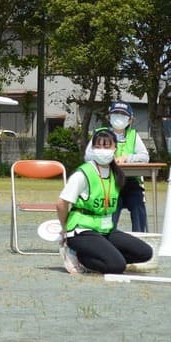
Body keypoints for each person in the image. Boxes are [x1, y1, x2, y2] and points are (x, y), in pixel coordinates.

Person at [55, 127, 154, 274]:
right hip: (82, 229)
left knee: (145, 252)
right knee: (117, 266)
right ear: (92, 149)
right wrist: (65, 228)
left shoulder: (116, 173)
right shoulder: (83, 173)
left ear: (115, 148)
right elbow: (61, 203)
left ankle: (102, 255)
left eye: (107, 146)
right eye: (98, 146)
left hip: (105, 229)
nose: (102, 150)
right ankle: (77, 255)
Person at [105, 101, 150, 232]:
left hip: (131, 182)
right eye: (116, 114)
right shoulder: (101, 133)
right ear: (109, 117)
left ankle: (140, 238)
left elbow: (144, 157)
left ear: (130, 119)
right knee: (111, 209)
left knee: (138, 206)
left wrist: (127, 158)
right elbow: (89, 155)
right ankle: (107, 239)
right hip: (108, 183)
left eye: (123, 115)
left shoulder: (133, 136)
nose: (119, 117)